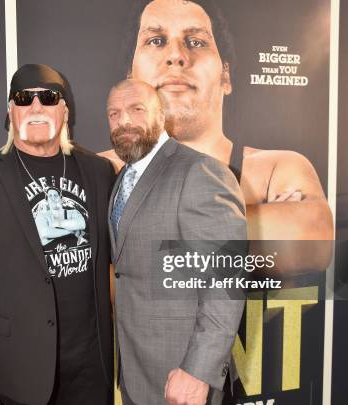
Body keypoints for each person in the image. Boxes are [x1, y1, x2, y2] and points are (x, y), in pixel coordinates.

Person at [100, 0, 333, 274]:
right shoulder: (100, 172)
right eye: (156, 40)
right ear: (131, 76)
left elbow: (311, 242)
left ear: (226, 76)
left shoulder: (275, 169)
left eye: (196, 41)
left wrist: (136, 236)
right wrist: (257, 229)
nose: (176, 56)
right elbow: (99, 287)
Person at [0, 64, 114, 405]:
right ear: (11, 112)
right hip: (16, 370)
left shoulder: (98, 171)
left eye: (48, 98)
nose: (36, 107)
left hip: (92, 369)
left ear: (64, 110)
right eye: (23, 99)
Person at [107, 78, 246, 405]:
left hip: (184, 375)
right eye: (113, 114)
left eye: (136, 109)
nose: (123, 121)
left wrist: (199, 371)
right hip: (136, 371)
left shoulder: (199, 171)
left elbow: (225, 281)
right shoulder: (121, 178)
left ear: (161, 115)